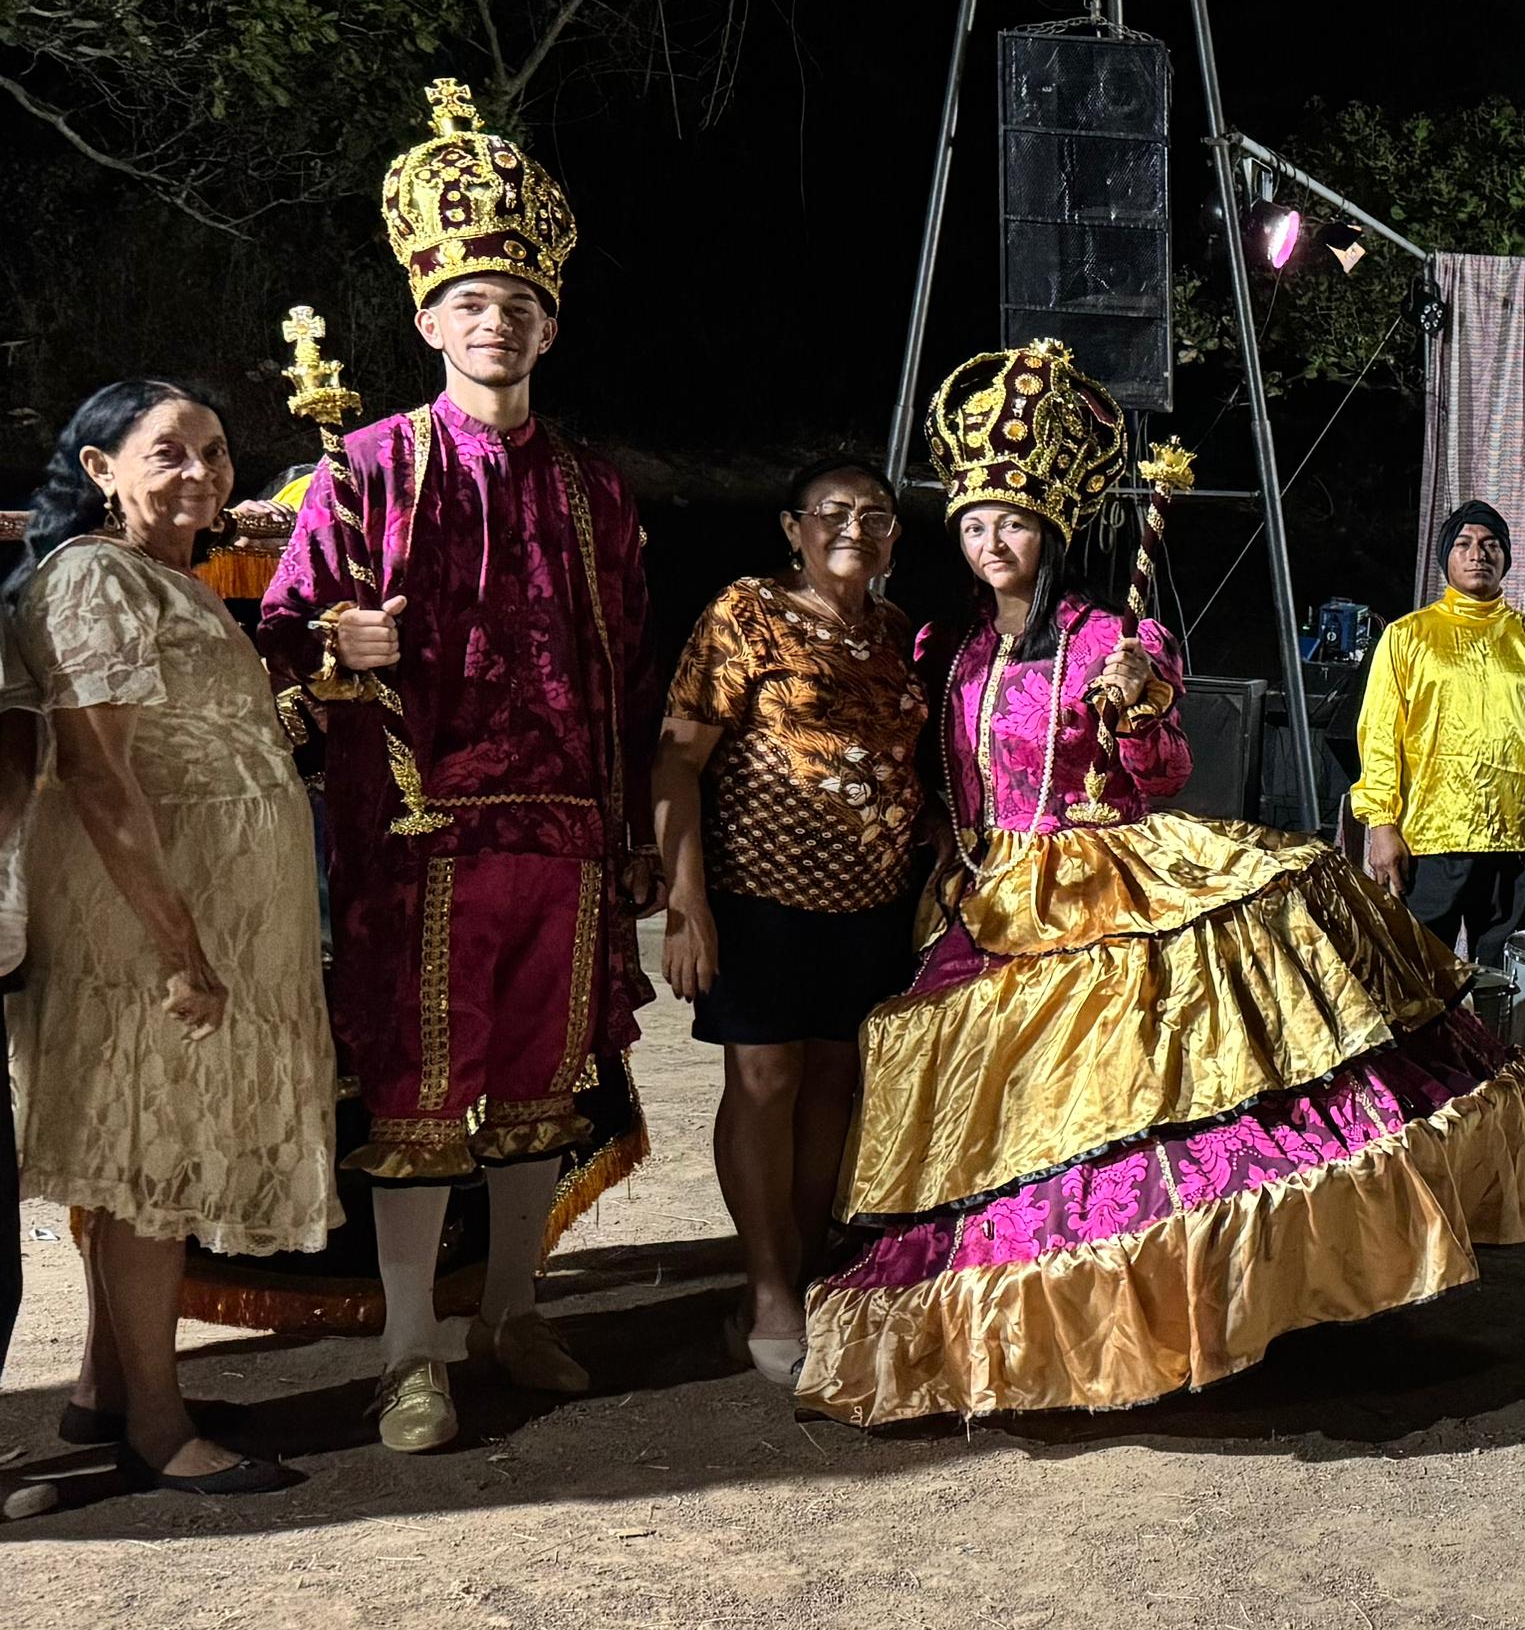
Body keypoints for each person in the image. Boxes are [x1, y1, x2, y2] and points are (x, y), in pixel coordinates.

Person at [803, 341, 1525, 1425]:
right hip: (981, 899)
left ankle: (1201, 1305)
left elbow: (1160, 777)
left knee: (1147, 1107)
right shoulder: (943, 647)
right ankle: (1028, 1330)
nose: (993, 543)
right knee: (1005, 1125)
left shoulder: (1113, 637)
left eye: (1014, 524)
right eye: (974, 526)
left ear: (1052, 530)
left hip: (1105, 878)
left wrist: (1139, 709)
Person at [261, 79, 654, 1456]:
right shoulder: (363, 470)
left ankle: (511, 1314)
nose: (499, 320)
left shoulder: (595, 490)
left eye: (521, 303)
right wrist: (337, 639)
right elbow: (284, 638)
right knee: (421, 1107)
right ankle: (408, 1352)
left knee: (539, 1093)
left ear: (552, 323)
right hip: (422, 835)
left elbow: (627, 669)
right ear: (430, 320)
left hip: (564, 831)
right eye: (473, 301)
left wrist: (630, 833)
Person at [9, 382, 324, 1492]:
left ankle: (104, 1387)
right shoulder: (93, 576)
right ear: (100, 469)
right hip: (145, 921)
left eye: (216, 451)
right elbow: (97, 774)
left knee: (143, 1154)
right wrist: (182, 948)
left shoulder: (166, 576)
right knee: (149, 1160)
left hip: (202, 903)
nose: (202, 471)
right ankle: (158, 1424)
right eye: (169, 453)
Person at [652, 456, 931, 1388]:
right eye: (833, 512)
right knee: (765, 1081)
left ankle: (807, 1272)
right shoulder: (747, 613)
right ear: (792, 528)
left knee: (834, 1087)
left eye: (876, 515)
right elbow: (677, 758)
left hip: (872, 904)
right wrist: (686, 903)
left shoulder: (894, 630)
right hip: (759, 897)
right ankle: (767, 1288)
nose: (856, 528)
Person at [1350, 496, 1525, 959]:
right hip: (1432, 839)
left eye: (1491, 544)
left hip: (1521, 841)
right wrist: (1383, 825)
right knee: (1422, 974)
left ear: (1506, 558)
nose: (1478, 554)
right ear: (1446, 558)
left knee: (1511, 981)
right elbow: (1380, 736)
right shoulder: (1407, 636)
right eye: (1464, 544)